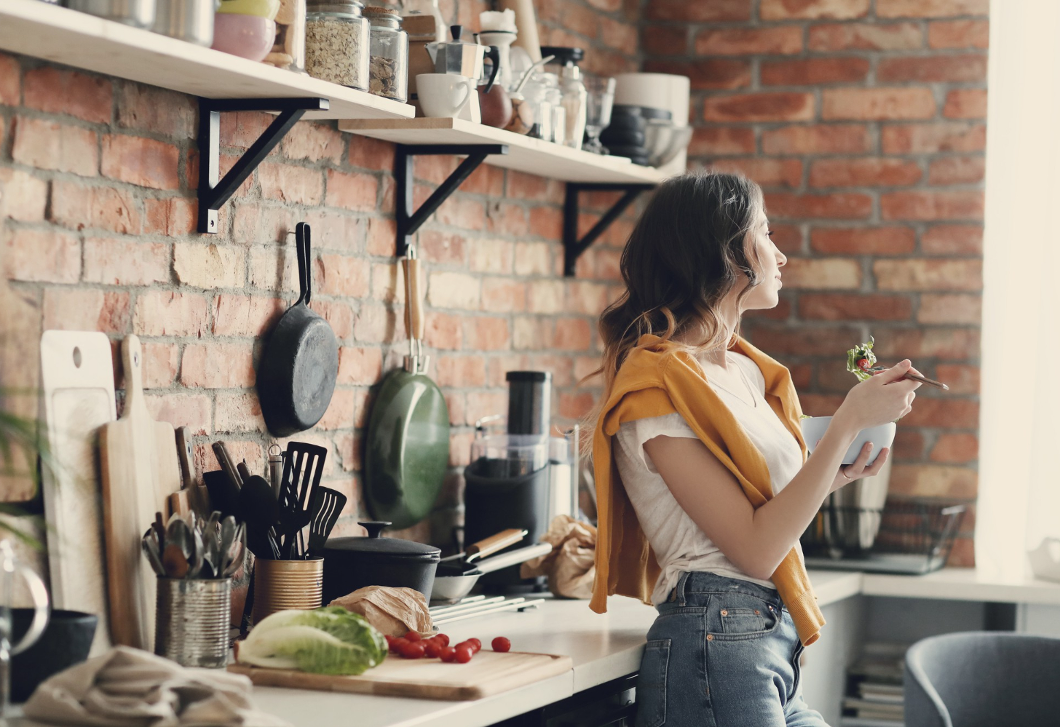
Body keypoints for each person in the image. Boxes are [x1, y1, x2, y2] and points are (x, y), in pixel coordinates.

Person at [587, 172, 921, 727]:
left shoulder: (743, 370)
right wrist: (846, 422)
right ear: (724, 255)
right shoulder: (656, 386)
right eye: (765, 232)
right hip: (716, 639)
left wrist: (834, 472)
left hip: (765, 642)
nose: (781, 255)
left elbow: (763, 510)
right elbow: (754, 549)